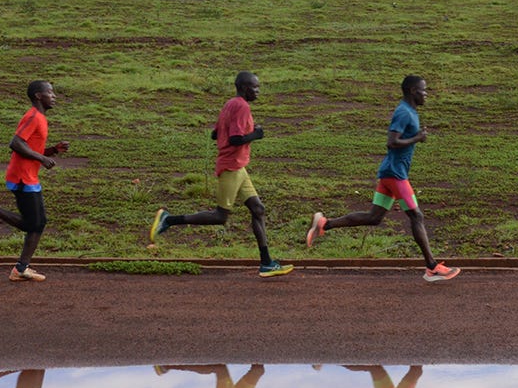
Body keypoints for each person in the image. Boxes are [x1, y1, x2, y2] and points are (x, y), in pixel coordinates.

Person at [307, 75, 460, 282]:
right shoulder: (403, 112)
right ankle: (432, 267)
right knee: (417, 216)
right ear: (413, 91)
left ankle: (325, 224)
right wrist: (418, 138)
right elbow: (392, 142)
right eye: (424, 90)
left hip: (391, 172)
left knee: (374, 217)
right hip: (395, 174)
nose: (426, 94)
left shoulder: (410, 112)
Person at [148, 70, 292, 277]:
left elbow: (215, 134)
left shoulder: (230, 104)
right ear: (244, 88)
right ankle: (169, 220)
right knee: (220, 216)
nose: (258, 91)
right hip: (231, 166)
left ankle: (267, 262)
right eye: (255, 87)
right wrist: (256, 135)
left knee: (258, 209)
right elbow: (234, 139)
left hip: (239, 167)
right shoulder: (241, 106)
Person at [0, 79, 68, 282]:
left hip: (28, 176)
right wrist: (42, 158)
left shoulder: (41, 118)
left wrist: (52, 150)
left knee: (36, 223)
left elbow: (30, 148)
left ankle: (21, 268)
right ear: (38, 96)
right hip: (22, 177)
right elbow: (16, 143)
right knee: (35, 224)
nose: (53, 96)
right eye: (50, 92)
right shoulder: (33, 117)